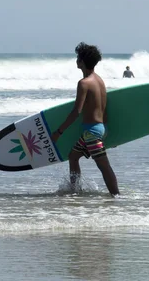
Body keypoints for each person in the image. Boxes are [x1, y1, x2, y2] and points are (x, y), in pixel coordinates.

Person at [51, 42, 120, 196]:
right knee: (73, 156)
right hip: (99, 128)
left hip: (92, 132)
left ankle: (117, 197)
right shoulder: (99, 80)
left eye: (78, 58)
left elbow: (76, 112)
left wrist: (59, 132)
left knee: (104, 166)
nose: (76, 60)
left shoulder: (84, 83)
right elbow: (104, 107)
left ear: (82, 61)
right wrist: (107, 131)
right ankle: (75, 191)